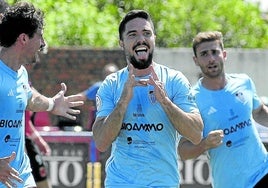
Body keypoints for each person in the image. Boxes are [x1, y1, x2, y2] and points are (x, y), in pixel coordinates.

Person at [92, 9, 203, 187]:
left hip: (162, 183)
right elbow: (101, 142)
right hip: (120, 183)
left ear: (154, 38)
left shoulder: (174, 80)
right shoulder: (111, 84)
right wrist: (123, 102)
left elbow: (196, 134)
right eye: (132, 34)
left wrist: (166, 102)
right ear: (122, 43)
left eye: (146, 33)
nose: (141, 39)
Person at [0, 2, 84, 188]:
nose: (43, 43)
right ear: (23, 38)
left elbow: (30, 97)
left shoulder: (21, 72)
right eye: (40, 36)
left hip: (22, 178)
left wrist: (53, 104)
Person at [178, 31, 268, 188]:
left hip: (262, 170)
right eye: (204, 54)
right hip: (229, 183)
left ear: (224, 54)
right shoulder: (192, 99)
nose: (211, 58)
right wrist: (205, 144)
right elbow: (183, 151)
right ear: (196, 60)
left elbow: (259, 111)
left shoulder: (244, 82)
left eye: (215, 52)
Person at [25, 110, 52, 188]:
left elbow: (26, 122)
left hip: (25, 141)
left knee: (41, 178)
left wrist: (39, 141)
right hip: (19, 143)